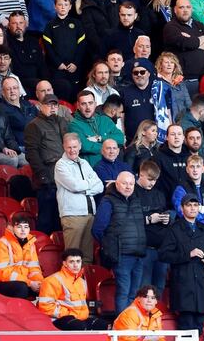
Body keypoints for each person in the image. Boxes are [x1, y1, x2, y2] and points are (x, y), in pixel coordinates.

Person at [158, 193, 204, 333]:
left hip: (202, 284)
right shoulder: (174, 229)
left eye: (195, 205)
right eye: (189, 205)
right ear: (182, 208)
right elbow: (163, 255)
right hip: (184, 285)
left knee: (199, 328)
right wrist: (188, 255)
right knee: (186, 328)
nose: (192, 208)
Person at [92, 172, 146, 313]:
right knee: (124, 292)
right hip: (122, 255)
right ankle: (122, 328)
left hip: (138, 254)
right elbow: (97, 229)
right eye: (124, 183)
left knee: (135, 294)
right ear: (116, 183)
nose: (128, 187)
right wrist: (110, 247)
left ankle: (131, 326)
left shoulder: (137, 199)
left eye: (131, 184)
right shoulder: (108, 201)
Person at [55, 133, 104, 264]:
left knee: (87, 257)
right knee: (72, 257)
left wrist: (84, 187)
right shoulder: (61, 165)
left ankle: (83, 284)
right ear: (64, 147)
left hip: (89, 214)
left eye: (75, 146)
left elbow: (99, 186)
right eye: (69, 147)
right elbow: (75, 186)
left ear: (80, 146)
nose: (72, 150)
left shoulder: (84, 163)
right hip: (72, 216)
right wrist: (89, 184)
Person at [37, 248, 109, 330]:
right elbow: (45, 307)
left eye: (78, 261)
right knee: (79, 326)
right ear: (64, 263)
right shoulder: (52, 280)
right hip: (58, 319)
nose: (75, 265)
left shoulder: (82, 282)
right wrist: (70, 314)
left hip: (79, 318)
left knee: (103, 325)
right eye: (71, 262)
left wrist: (79, 315)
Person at [0, 212, 43, 298]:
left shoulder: (30, 244)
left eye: (26, 227)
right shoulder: (2, 244)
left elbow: (34, 269)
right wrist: (30, 283)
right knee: (22, 288)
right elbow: (3, 274)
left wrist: (39, 282)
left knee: (47, 287)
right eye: (19, 227)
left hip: (22, 281)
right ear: (12, 228)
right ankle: (18, 311)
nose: (23, 230)